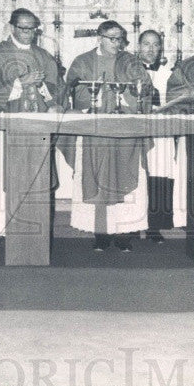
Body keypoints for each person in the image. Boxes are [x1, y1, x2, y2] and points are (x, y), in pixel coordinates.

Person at [0, 8, 67, 236]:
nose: (28, 33)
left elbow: (59, 91)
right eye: (23, 28)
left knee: (38, 177)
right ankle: (4, 228)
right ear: (12, 27)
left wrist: (43, 88)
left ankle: (37, 227)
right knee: (8, 176)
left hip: (38, 129)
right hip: (7, 128)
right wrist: (19, 84)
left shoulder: (44, 56)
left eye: (32, 28)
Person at [66, 21, 152, 252]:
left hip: (126, 131)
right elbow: (73, 90)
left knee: (126, 176)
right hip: (95, 131)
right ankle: (100, 233)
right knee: (96, 178)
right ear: (99, 38)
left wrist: (126, 97)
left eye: (120, 39)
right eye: (112, 38)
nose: (117, 43)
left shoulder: (131, 61)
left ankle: (124, 233)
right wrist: (101, 99)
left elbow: (145, 89)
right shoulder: (82, 61)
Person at [138, 29, 176, 242]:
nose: (151, 49)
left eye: (155, 44)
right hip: (139, 128)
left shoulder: (168, 74)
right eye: (146, 44)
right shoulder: (130, 70)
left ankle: (154, 226)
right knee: (137, 174)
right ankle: (133, 225)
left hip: (161, 130)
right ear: (138, 46)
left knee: (158, 174)